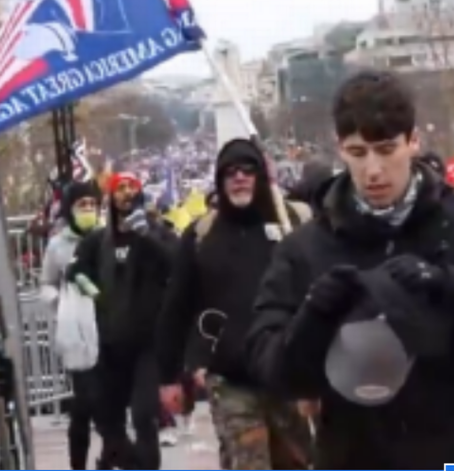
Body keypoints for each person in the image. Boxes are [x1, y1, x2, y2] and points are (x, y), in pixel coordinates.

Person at [245, 69, 454, 469]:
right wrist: (314, 318)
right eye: (358, 153)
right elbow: (272, 370)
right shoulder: (306, 248)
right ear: (340, 148)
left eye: (386, 149)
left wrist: (453, 284)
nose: (374, 170)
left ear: (413, 142)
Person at [156, 138, 313, 470]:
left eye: (247, 170)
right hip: (231, 380)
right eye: (230, 172)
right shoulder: (202, 235)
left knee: (298, 462)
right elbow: (176, 308)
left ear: (260, 175)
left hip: (289, 375)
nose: (239, 178)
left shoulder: (293, 226)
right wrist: (170, 375)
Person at [66, 172, 175, 470]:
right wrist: (94, 292)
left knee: (144, 417)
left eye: (131, 187)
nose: (126, 193)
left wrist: (148, 237)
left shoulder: (156, 232)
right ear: (111, 197)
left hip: (146, 345)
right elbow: (74, 271)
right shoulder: (98, 240)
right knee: (107, 421)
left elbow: (176, 265)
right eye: (120, 188)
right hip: (109, 345)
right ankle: (128, 463)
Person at [39, 180, 102, 470]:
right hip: (77, 336)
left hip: (110, 330)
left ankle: (113, 458)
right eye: (82, 205)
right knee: (84, 405)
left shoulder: (109, 237)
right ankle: (78, 463)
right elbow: (46, 285)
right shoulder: (57, 246)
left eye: (92, 204)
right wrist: (61, 303)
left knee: (108, 409)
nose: (88, 210)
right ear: (70, 210)